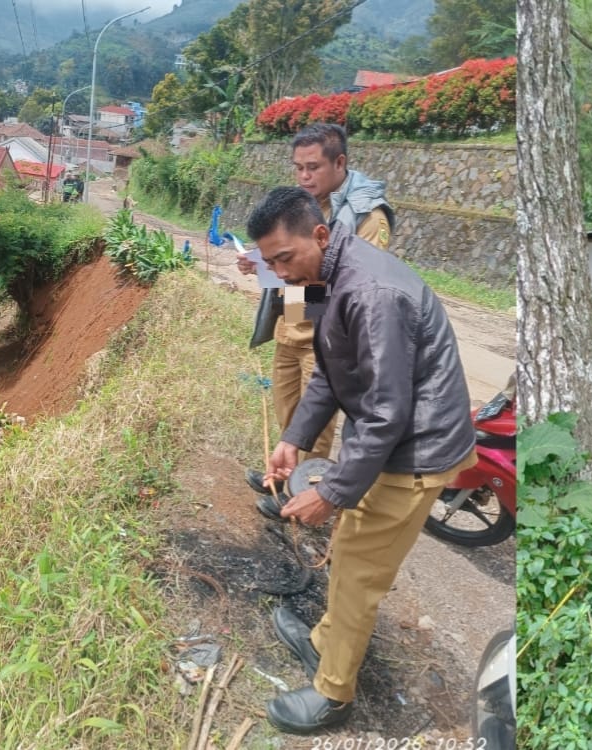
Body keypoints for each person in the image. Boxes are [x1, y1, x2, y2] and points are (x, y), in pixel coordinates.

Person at [247, 186, 476, 734]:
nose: (281, 273)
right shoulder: (322, 277)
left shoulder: (372, 293)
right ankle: (326, 641)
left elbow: (387, 413)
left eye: (286, 258)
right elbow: (330, 370)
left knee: (357, 569)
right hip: (393, 436)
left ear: (320, 234)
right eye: (271, 263)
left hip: (418, 448)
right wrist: (295, 437)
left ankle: (333, 695)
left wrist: (331, 492)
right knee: (351, 549)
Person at [236, 123, 395, 504]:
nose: (304, 177)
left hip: (327, 341)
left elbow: (355, 287)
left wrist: (290, 286)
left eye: (313, 167)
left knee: (316, 423)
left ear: (339, 163)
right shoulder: (302, 207)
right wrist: (263, 265)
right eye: (298, 168)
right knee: (288, 413)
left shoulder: (367, 218)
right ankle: (283, 479)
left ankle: (303, 495)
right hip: (291, 329)